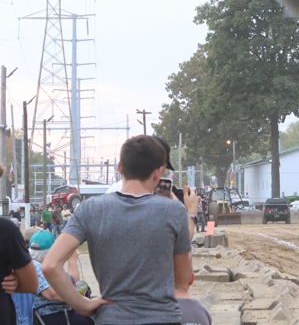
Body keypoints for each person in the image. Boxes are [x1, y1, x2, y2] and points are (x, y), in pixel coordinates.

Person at [42, 134, 199, 324]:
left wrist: (82, 304)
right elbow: (181, 279)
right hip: (162, 317)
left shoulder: (90, 209)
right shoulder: (173, 211)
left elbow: (50, 265)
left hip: (112, 317)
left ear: (120, 168)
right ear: (158, 172)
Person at [1, 163, 39, 323]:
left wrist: (15, 283)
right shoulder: (6, 231)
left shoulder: (6, 231)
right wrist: (16, 283)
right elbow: (31, 284)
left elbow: (30, 284)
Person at [28, 229, 93, 325]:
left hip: (59, 312)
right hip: (52, 315)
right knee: (96, 317)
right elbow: (52, 294)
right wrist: (80, 300)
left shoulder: (42, 265)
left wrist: (72, 260)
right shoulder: (36, 267)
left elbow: (71, 283)